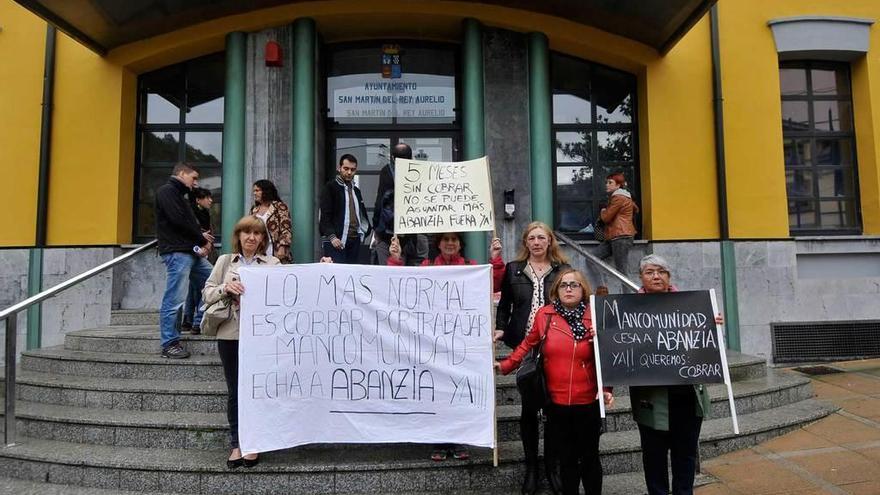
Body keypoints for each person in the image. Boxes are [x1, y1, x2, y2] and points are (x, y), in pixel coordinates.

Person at [388, 231, 504, 461]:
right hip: (433, 343)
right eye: (446, 240)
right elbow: (401, 287)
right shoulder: (426, 266)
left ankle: (459, 439)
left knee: (459, 393)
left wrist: (495, 259)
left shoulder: (471, 267)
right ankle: (439, 440)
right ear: (438, 244)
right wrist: (395, 259)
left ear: (460, 244)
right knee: (437, 393)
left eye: (454, 240)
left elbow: (494, 283)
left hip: (462, 343)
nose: (450, 243)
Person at [496, 269, 613, 495]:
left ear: (583, 290)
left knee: (590, 458)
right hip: (555, 402)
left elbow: (607, 357)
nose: (568, 289)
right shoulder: (545, 315)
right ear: (556, 290)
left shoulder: (595, 315)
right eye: (563, 285)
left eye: (574, 285)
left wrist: (606, 388)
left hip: (588, 401)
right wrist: (507, 365)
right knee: (566, 459)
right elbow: (526, 345)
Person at [632, 254, 722, 495]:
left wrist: (711, 326)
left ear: (669, 276)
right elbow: (620, 349)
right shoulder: (627, 311)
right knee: (654, 458)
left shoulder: (692, 306)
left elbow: (705, 349)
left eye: (661, 271)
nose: (656, 276)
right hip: (651, 399)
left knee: (686, 456)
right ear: (641, 277)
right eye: (650, 271)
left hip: (687, 396)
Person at [494, 221, 571, 495]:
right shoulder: (514, 269)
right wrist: (501, 326)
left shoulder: (564, 271)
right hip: (525, 348)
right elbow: (504, 305)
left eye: (542, 238)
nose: (537, 242)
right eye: (532, 238)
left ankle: (552, 467)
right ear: (526, 243)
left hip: (556, 347)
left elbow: (575, 302)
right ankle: (531, 468)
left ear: (550, 242)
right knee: (529, 409)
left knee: (552, 409)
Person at [202, 215, 280, 469]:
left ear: (262, 239)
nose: (251, 237)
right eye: (246, 233)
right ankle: (238, 443)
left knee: (257, 389)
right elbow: (207, 293)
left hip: (262, 338)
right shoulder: (225, 261)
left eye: (257, 234)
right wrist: (227, 287)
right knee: (235, 390)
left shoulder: (273, 263)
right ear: (238, 237)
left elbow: (288, 294)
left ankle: (255, 442)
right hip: (230, 334)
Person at [154, 163, 214, 359]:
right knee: (174, 299)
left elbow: (185, 223)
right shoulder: (167, 192)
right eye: (193, 178)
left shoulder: (179, 195)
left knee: (214, 284)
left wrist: (199, 238)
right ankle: (169, 343)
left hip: (189, 251)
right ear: (181, 174)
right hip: (178, 252)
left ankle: (206, 322)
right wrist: (202, 239)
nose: (196, 183)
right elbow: (178, 221)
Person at [372, 143, 428, 265]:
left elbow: (380, 202)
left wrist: (376, 227)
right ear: (410, 157)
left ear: (392, 157)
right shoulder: (419, 172)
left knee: (390, 269)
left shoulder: (387, 171)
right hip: (413, 230)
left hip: (389, 232)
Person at [319, 154, 371, 264]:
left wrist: (363, 233)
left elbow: (362, 215)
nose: (349, 172)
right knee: (335, 277)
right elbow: (324, 216)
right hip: (335, 241)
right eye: (346, 168)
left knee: (352, 276)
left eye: (352, 169)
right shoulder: (330, 187)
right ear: (339, 168)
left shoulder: (356, 191)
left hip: (354, 240)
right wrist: (332, 237)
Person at [181, 187, 214, 334]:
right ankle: (197, 321)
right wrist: (200, 243)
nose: (211, 200)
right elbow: (186, 233)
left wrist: (206, 247)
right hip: (193, 253)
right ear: (198, 200)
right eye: (207, 197)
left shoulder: (204, 213)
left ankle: (187, 321)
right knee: (209, 282)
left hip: (200, 254)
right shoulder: (190, 213)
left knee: (194, 288)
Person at [593, 172, 639, 276]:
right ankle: (601, 288)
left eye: (610, 182)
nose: (607, 184)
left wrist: (603, 211)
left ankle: (627, 292)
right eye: (607, 182)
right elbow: (636, 210)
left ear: (618, 185)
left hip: (620, 236)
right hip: (615, 237)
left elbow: (606, 218)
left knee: (621, 272)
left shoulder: (618, 197)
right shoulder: (623, 197)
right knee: (591, 258)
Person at [251, 179, 293, 263]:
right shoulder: (254, 210)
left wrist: (282, 247)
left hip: (276, 249)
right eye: (254, 191)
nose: (254, 193)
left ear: (266, 191)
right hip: (259, 251)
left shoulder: (279, 206)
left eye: (257, 190)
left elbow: (286, 228)